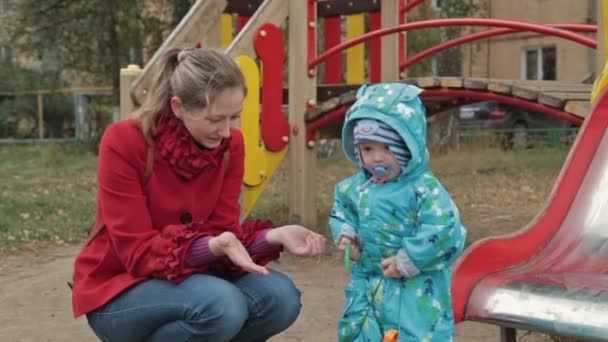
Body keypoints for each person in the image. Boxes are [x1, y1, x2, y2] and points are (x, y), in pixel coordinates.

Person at [71, 47, 326, 342]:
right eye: (216, 119)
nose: (227, 131)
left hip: (193, 279)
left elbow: (223, 237)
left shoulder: (231, 146)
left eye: (234, 117)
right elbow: (137, 253)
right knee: (222, 305)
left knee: (280, 299)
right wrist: (215, 245)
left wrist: (274, 237)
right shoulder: (125, 141)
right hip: (121, 288)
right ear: (179, 107)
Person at [329, 83, 467, 341]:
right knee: (360, 331)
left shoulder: (424, 189)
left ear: (408, 146)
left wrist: (410, 259)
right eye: (368, 149)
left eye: (387, 148)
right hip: (368, 282)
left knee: (415, 334)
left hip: (415, 288)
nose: (377, 158)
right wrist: (347, 236)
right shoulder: (355, 188)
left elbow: (445, 229)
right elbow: (343, 212)